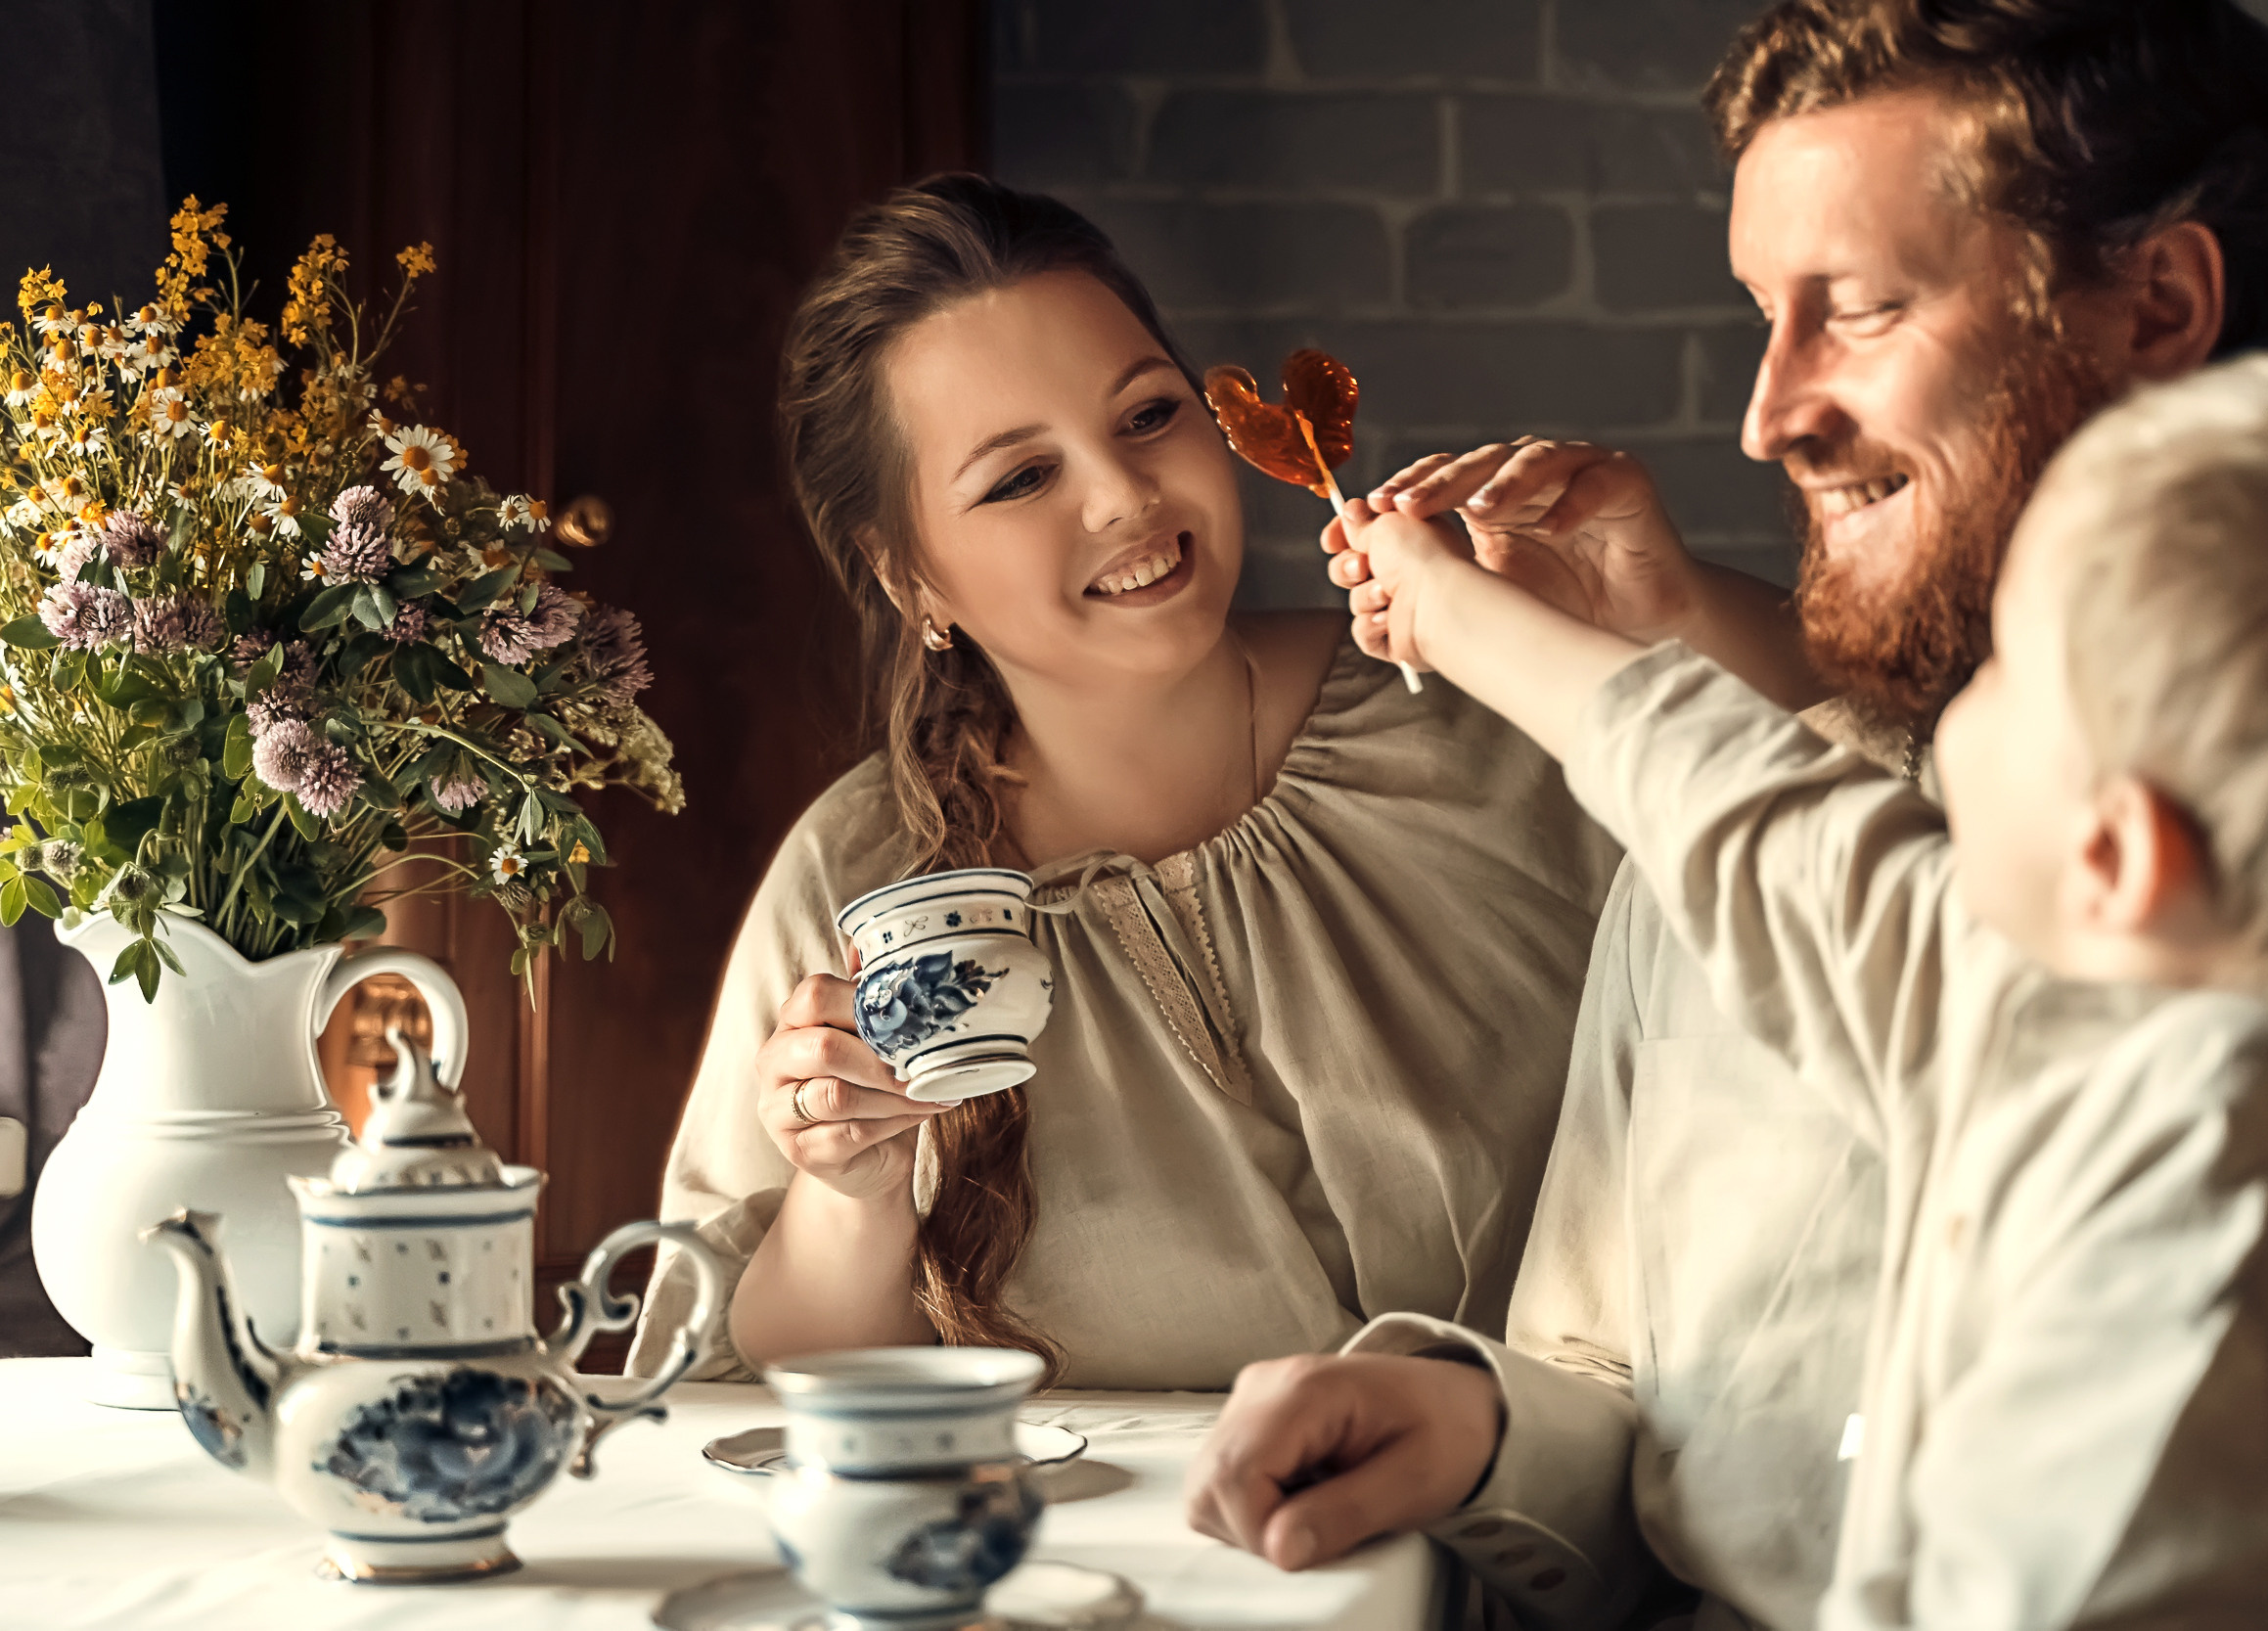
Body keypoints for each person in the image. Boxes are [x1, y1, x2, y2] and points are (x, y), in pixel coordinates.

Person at [1194, 2, 2268, 1626]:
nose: (1766, 413)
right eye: (1763, 315)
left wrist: (1530, 651)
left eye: (1860, 310)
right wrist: (1478, 1430)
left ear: (2158, 301)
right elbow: (1618, 1381)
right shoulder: (1739, 816)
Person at [623, 175, 1809, 1388]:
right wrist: (849, 1193)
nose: (1125, 494)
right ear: (906, 576)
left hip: (1581, 1537)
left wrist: (1661, 612)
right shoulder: (860, 881)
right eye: (1019, 478)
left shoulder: (1477, 699)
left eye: (1146, 416)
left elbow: (1876, 807)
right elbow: (747, 1379)